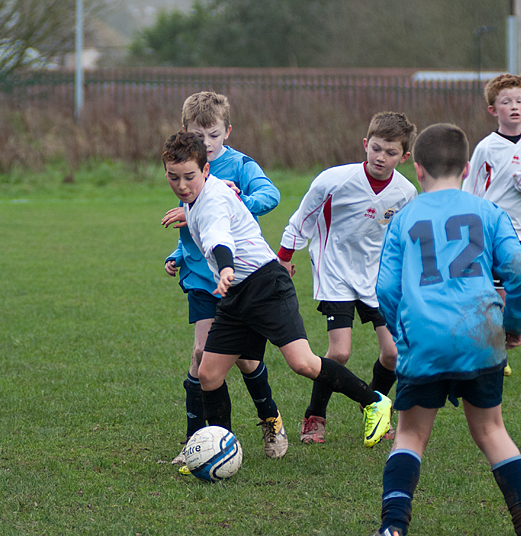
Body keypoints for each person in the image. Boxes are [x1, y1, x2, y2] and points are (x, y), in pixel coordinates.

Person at [162, 131, 392, 452]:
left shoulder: (212, 199)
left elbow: (218, 238)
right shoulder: (202, 194)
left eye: (189, 177)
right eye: (174, 178)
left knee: (303, 364)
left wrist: (226, 267)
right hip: (236, 294)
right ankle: (221, 447)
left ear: (205, 171)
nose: (182, 185)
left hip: (265, 284)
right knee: (209, 374)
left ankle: (374, 402)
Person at [373, 123, 521, 536]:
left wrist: (403, 333)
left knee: (411, 435)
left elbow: (384, 288)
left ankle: (393, 527)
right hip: (481, 335)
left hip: (425, 339)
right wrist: (513, 324)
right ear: (468, 168)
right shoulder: (489, 212)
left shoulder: (404, 217)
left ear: (417, 168)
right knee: (491, 430)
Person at [161, 92, 287, 471]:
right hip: (203, 279)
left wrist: (237, 198)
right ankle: (195, 440)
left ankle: (271, 420)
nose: (207, 144)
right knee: (201, 356)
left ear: (226, 132)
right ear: (186, 133)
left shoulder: (240, 165)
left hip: (242, 279)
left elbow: (271, 195)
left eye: (214, 135)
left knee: (247, 362)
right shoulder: (187, 166)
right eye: (199, 136)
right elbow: (197, 229)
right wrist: (178, 256)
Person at [277, 111, 417, 444]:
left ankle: (375, 408)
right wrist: (284, 258)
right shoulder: (334, 180)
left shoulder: (406, 192)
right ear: (366, 145)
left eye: (391, 152)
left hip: (378, 275)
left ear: (405, 157)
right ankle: (315, 416)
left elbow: (403, 237)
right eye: (377, 149)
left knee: (395, 353)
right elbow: (302, 219)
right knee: (339, 353)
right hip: (334, 268)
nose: (382, 157)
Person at [462, 74, 521, 376]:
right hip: (489, 235)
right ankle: (490, 358)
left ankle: (501, 339)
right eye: (505, 102)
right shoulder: (487, 148)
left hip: (518, 233)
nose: (513, 107)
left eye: (518, 101)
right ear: (493, 110)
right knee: (499, 303)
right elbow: (469, 191)